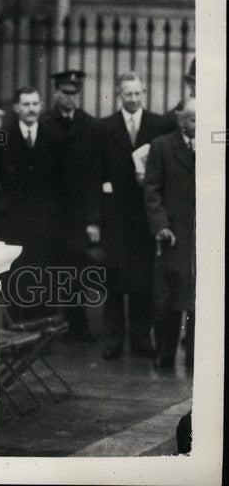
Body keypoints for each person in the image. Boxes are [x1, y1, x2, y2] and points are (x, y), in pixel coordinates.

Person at [93, 71, 173, 360]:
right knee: (113, 278)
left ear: (144, 93)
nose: (134, 98)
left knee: (143, 279)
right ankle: (113, 339)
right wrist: (95, 219)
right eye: (128, 93)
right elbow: (95, 173)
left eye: (138, 93)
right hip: (115, 216)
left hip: (146, 215)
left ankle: (141, 339)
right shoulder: (104, 128)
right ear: (118, 94)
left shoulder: (159, 124)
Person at [0, 87, 65, 320]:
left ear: (40, 107)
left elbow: (62, 183)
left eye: (35, 104)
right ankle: (16, 328)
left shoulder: (54, 137)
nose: (31, 109)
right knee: (15, 274)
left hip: (44, 221)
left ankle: (40, 327)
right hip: (12, 221)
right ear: (16, 108)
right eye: (26, 104)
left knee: (41, 274)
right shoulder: (2, 137)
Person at [42, 69, 101, 340]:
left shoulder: (88, 125)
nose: (70, 98)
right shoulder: (44, 123)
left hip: (77, 213)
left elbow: (93, 176)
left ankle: (79, 326)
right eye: (66, 92)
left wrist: (92, 218)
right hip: (51, 212)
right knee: (51, 269)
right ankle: (52, 327)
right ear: (55, 93)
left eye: (75, 93)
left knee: (77, 270)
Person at [143, 96, 196, 369]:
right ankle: (164, 356)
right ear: (179, 119)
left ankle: (195, 359)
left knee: (199, 298)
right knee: (169, 301)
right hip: (173, 236)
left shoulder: (213, 146)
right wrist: (161, 225)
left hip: (201, 239)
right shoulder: (161, 147)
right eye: (192, 119)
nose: (197, 125)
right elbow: (152, 191)